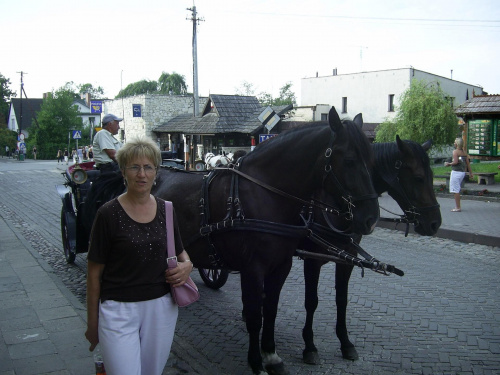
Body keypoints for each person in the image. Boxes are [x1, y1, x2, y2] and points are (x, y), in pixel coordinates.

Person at [85, 137, 193, 375]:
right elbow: (94, 274)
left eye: (148, 167)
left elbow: (180, 253)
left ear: (156, 171)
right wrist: (92, 324)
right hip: (118, 311)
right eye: (134, 167)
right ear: (123, 171)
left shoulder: (167, 209)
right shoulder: (108, 214)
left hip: (161, 309)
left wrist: (188, 266)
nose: (141, 174)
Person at [445, 137, 474, 212]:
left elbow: (455, 162)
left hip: (456, 172)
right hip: (462, 172)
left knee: (455, 190)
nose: (454, 143)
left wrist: (448, 164)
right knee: (457, 188)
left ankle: (458, 207)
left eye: (455, 142)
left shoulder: (455, 152)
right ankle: (458, 206)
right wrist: (471, 173)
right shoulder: (464, 152)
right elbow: (468, 164)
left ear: (457, 144)